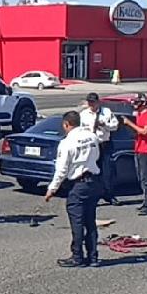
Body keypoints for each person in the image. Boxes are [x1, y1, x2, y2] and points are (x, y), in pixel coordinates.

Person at [45, 111, 102, 267]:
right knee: (90, 221)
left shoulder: (67, 142)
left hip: (78, 184)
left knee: (77, 221)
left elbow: (62, 169)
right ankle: (93, 257)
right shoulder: (92, 137)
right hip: (93, 182)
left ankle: (77, 256)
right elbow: (97, 156)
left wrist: (52, 189)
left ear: (66, 124)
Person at [79, 92, 120, 205]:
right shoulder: (83, 114)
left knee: (107, 172)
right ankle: (93, 196)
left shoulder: (106, 112)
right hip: (91, 145)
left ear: (98, 102)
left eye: (93, 102)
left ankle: (109, 194)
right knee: (92, 172)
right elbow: (80, 130)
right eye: (89, 102)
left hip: (104, 144)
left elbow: (115, 126)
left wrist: (105, 125)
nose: (91, 105)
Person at [120, 93, 147, 215]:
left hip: (144, 150)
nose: (135, 105)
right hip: (138, 148)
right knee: (140, 177)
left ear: (143, 103)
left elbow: (145, 131)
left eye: (137, 102)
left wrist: (130, 123)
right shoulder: (139, 114)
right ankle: (145, 202)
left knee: (145, 177)